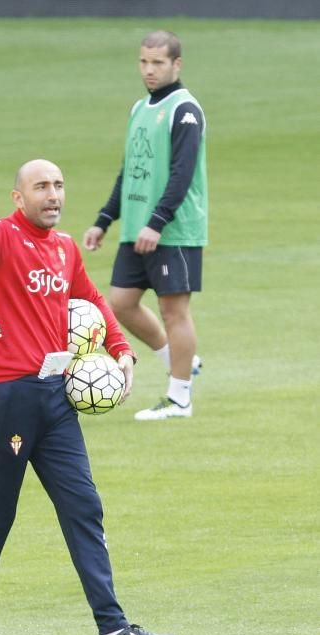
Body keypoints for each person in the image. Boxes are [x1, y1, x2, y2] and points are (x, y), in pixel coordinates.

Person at [0, 159, 177, 635]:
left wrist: (121, 349)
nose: (52, 195)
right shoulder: (2, 239)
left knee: (83, 506)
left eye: (58, 186)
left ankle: (113, 630)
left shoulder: (65, 248)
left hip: (55, 397)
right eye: (41, 187)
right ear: (18, 197)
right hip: (7, 400)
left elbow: (91, 298)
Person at [83, 30, 208, 421]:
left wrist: (157, 222)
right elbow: (131, 170)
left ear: (176, 65)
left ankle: (180, 397)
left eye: (157, 63)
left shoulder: (184, 111)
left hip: (172, 231)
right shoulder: (139, 108)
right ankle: (180, 360)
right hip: (136, 229)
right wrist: (105, 219)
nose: (149, 70)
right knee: (119, 303)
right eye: (143, 62)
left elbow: (182, 174)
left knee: (174, 312)